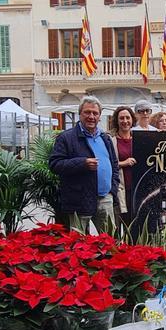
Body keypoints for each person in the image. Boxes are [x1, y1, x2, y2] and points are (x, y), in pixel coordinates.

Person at [48, 96, 119, 234]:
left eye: (95, 113)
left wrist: (112, 190)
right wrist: (82, 163)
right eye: (87, 112)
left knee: (110, 245)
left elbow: (114, 165)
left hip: (105, 199)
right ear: (80, 113)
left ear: (99, 116)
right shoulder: (66, 138)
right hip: (79, 201)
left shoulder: (105, 138)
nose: (91, 116)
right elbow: (55, 164)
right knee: (79, 246)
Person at [108, 106, 137, 226]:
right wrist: (123, 163)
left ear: (132, 119)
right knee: (121, 225)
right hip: (120, 190)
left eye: (127, 118)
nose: (125, 121)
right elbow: (107, 164)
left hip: (137, 190)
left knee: (135, 226)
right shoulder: (111, 141)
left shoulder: (139, 138)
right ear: (116, 121)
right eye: (121, 118)